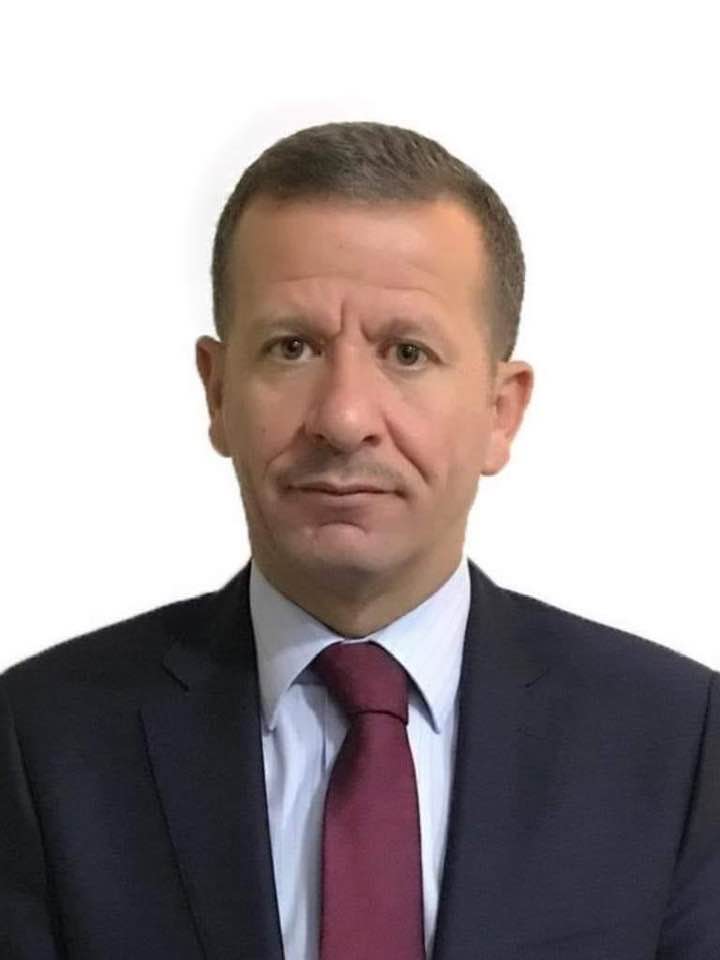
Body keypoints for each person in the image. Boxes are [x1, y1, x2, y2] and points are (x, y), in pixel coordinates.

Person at [1, 121, 718, 960]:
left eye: (407, 353)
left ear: (501, 411)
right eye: (293, 348)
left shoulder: (682, 744)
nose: (343, 418)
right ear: (218, 392)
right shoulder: (39, 742)